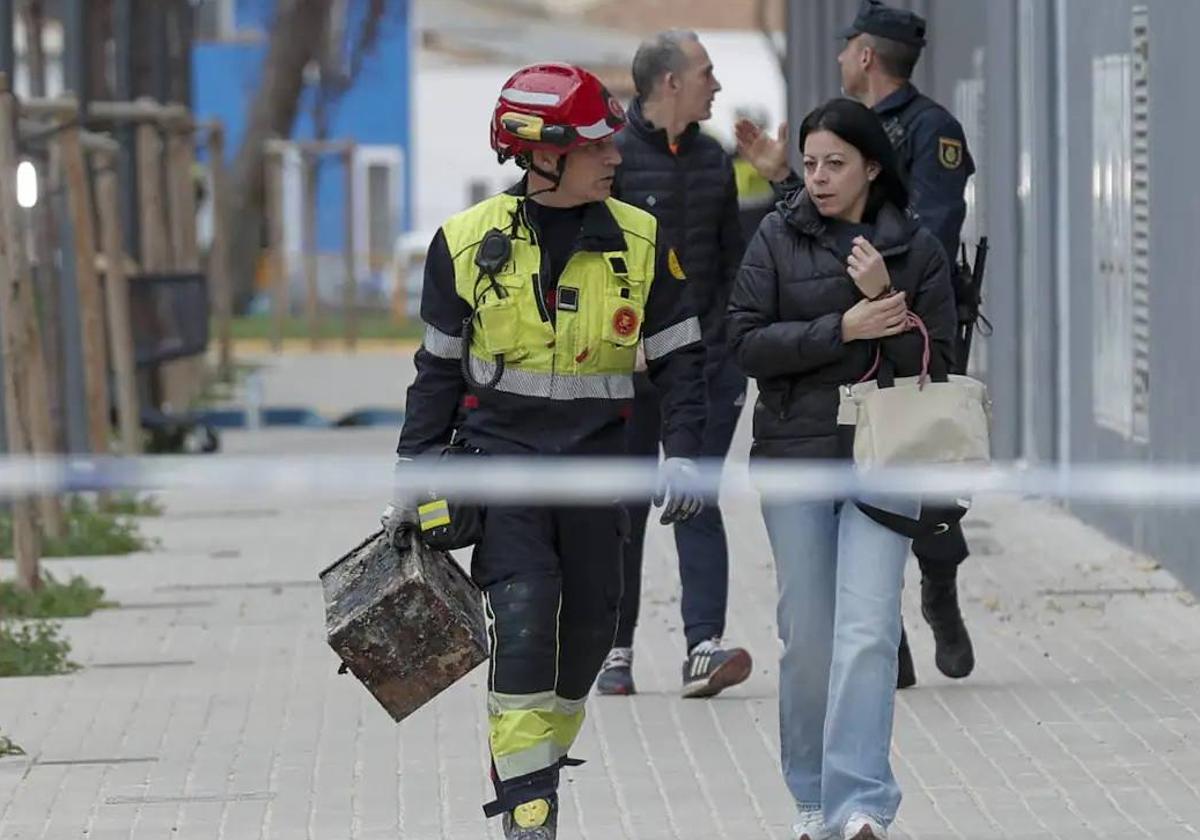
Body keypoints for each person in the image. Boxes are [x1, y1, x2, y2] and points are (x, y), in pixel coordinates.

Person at [383, 63, 707, 839]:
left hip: (601, 476)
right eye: (598, 145)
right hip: (505, 471)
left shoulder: (641, 240)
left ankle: (530, 764)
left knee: (593, 632)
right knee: (524, 621)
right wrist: (409, 475)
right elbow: (434, 374)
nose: (616, 157)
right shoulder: (463, 245)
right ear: (543, 153)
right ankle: (529, 810)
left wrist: (689, 453)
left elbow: (683, 361)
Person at [727, 97, 956, 840]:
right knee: (810, 638)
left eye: (835, 164)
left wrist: (883, 297)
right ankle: (812, 797)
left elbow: (940, 366)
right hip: (797, 460)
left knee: (866, 632)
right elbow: (747, 345)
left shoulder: (914, 251)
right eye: (812, 162)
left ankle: (860, 804)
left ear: (872, 169)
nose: (818, 179)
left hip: (884, 462)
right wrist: (843, 327)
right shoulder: (775, 237)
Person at [734, 0, 977, 689]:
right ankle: (886, 634)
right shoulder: (832, 142)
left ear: (867, 54)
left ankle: (939, 589)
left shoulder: (934, 130)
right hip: (834, 358)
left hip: (914, 320)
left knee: (927, 480)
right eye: (813, 163)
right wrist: (788, 178)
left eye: (848, 49)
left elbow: (928, 228)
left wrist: (884, 289)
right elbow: (810, 224)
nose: (840, 59)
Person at [592, 29, 752, 700]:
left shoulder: (716, 161)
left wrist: (729, 347)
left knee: (698, 496)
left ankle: (703, 648)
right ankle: (614, 651)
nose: (716, 84)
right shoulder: (613, 159)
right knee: (622, 509)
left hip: (707, 365)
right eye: (707, 73)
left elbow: (732, 265)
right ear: (670, 83)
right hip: (626, 372)